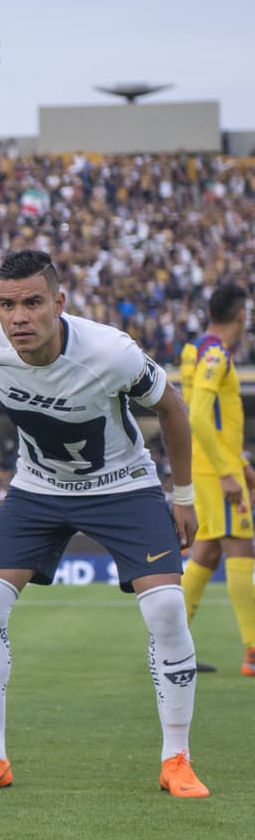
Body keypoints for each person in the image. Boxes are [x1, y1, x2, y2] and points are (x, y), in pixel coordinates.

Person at [0, 249, 209, 797]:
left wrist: (184, 496)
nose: (19, 317)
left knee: (168, 609)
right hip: (39, 489)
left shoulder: (110, 351)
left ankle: (177, 760)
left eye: (32, 303)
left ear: (59, 303)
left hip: (122, 486)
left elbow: (171, 407)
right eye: (7, 305)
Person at [179, 280, 255, 676]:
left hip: (210, 465)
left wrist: (239, 463)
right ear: (241, 315)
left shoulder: (193, 350)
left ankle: (169, 643)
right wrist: (228, 473)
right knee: (241, 550)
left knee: (207, 554)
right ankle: (253, 650)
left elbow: (213, 419)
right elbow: (197, 416)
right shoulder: (215, 355)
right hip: (215, 471)